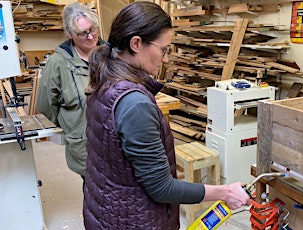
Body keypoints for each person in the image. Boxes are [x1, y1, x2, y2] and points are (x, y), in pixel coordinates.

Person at [83, 2, 250, 229]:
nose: (166, 59)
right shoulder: (134, 103)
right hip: (133, 220)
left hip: (107, 208)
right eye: (163, 49)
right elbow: (162, 188)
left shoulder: (105, 77)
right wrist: (225, 192)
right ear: (136, 43)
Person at [36, 2, 103, 180]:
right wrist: (71, 127)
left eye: (93, 29)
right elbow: (45, 105)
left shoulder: (111, 55)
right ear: (69, 33)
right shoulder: (58, 63)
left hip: (117, 142)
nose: (90, 37)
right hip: (85, 145)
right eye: (82, 33)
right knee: (95, 192)